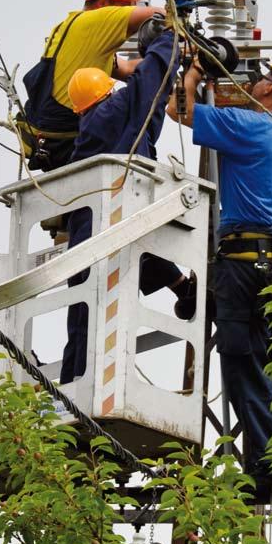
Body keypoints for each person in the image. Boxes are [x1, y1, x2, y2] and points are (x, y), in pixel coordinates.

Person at [166, 56, 272, 498]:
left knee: (240, 364)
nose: (258, 82)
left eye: (265, 78)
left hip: (243, 263)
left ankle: (266, 468)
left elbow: (179, 110)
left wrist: (192, 74)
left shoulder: (248, 127)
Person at [60, 25, 197, 384]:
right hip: (110, 227)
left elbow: (147, 109)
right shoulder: (115, 111)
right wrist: (167, 39)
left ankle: (70, 395)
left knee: (82, 319)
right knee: (99, 313)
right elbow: (151, 83)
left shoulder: (94, 131)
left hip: (89, 235)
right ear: (107, 94)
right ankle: (88, 397)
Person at [18, 0, 165, 171]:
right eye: (125, 5)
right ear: (104, 2)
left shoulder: (81, 35)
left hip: (62, 146)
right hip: (69, 140)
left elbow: (128, 69)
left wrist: (170, 62)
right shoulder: (94, 21)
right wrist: (177, 29)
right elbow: (160, 15)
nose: (129, 9)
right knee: (132, 113)